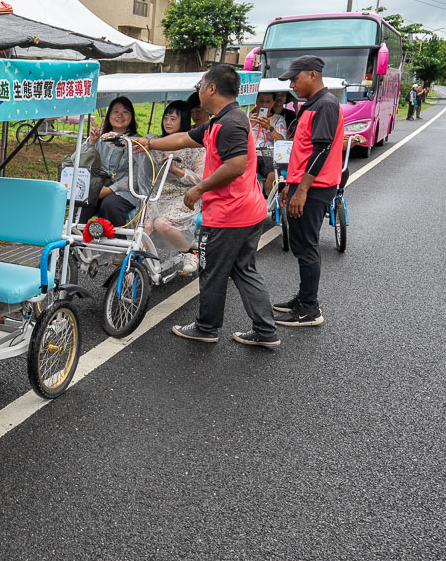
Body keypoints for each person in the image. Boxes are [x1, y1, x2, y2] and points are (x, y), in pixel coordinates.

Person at [138, 64, 279, 347]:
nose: (199, 91)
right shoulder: (221, 120)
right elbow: (182, 138)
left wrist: (198, 188)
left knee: (212, 270)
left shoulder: (231, 123)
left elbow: (236, 165)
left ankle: (206, 327)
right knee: (243, 269)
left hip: (230, 214)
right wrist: (146, 143)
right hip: (246, 211)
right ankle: (265, 330)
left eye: (201, 86)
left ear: (211, 88)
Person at [274, 55, 344, 328]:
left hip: (315, 188)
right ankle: (304, 298)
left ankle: (309, 309)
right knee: (301, 244)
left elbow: (321, 150)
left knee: (306, 246)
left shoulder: (325, 105)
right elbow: (301, 151)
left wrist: (302, 191)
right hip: (302, 185)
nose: (292, 84)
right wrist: (289, 186)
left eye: (295, 78)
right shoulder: (311, 105)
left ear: (312, 75)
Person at [144, 100, 203, 274]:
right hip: (157, 194)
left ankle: (188, 252)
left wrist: (177, 170)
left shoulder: (195, 147)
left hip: (184, 196)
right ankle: (135, 263)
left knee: (161, 224)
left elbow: (201, 178)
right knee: (146, 226)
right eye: (166, 118)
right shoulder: (155, 142)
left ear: (183, 121)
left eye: (173, 119)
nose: (168, 122)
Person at [82, 96, 147, 225]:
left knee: (110, 204)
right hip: (97, 188)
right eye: (115, 111)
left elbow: (137, 176)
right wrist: (91, 142)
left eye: (125, 112)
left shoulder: (137, 142)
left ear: (132, 116)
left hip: (126, 191)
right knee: (81, 201)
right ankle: (74, 239)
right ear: (109, 115)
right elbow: (78, 160)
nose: (120, 116)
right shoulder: (99, 137)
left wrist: (111, 189)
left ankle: (118, 242)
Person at [251, 90, 289, 197]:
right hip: (249, 154)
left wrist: (269, 128)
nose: (264, 105)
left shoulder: (278, 119)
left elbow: (281, 141)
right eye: (261, 101)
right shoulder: (247, 117)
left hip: (268, 155)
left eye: (267, 102)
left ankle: (270, 203)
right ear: (256, 102)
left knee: (272, 175)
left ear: (273, 103)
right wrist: (249, 125)